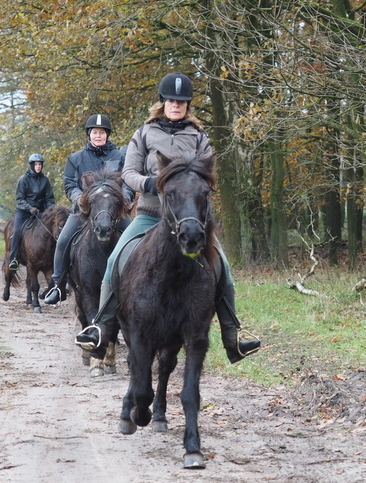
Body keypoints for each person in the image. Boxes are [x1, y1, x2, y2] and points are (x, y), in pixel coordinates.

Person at [75, 72, 261, 364]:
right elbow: (129, 173)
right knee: (114, 262)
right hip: (150, 215)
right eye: (172, 100)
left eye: (182, 101)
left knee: (222, 265)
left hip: (189, 220)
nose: (177, 105)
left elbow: (208, 175)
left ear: (187, 105)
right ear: (163, 102)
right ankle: (101, 329)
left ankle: (231, 336)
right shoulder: (144, 134)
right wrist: (149, 184)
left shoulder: (198, 136)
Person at [43, 114, 134, 304]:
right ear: (89, 134)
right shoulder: (76, 158)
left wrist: (125, 197)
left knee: (136, 239)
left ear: (107, 134)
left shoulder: (119, 157)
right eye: (95, 132)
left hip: (113, 211)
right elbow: (69, 184)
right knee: (63, 241)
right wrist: (79, 198)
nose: (98, 136)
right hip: (83, 211)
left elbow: (127, 181)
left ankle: (139, 282)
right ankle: (58, 285)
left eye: (101, 132)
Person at [8, 153, 55, 271]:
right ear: (32, 165)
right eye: (36, 164)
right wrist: (29, 208)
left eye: (40, 164)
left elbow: (49, 198)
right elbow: (19, 199)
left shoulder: (45, 180)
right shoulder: (24, 179)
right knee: (17, 231)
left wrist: (51, 210)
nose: (38, 167)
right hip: (24, 211)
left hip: (40, 211)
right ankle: (13, 258)